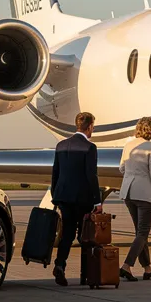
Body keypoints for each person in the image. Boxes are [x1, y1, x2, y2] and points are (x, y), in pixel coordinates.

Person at [51, 112, 102, 287]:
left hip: (63, 197)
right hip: (82, 198)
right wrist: (97, 200)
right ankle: (86, 274)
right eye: (93, 127)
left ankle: (59, 264)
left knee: (67, 234)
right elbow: (91, 175)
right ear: (89, 127)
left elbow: (55, 173)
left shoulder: (61, 145)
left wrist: (55, 196)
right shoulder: (89, 147)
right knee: (85, 236)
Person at [118, 116, 151, 282]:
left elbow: (122, 168)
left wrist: (132, 177)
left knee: (140, 233)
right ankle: (126, 266)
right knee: (143, 233)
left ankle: (147, 268)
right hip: (145, 195)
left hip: (128, 193)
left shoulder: (128, 145)